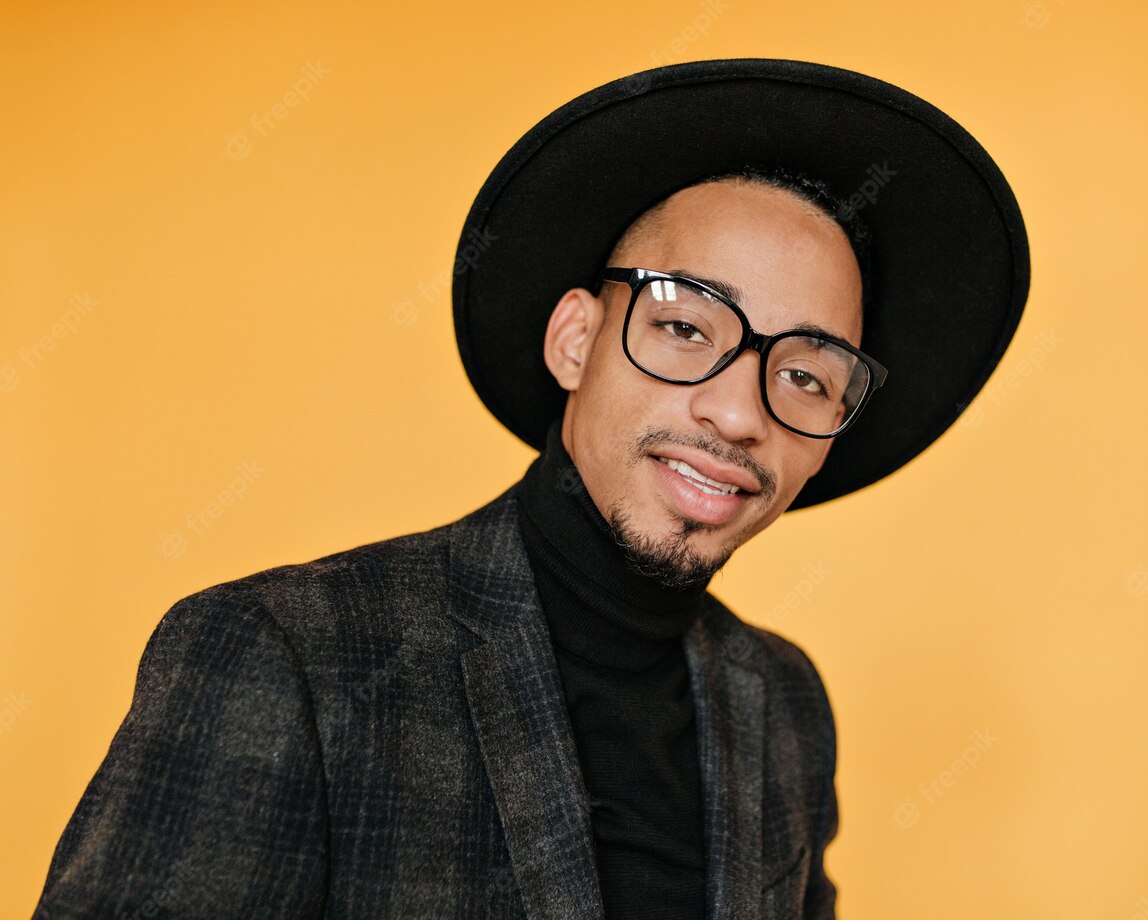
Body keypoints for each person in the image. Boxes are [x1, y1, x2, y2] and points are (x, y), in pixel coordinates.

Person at [34, 58, 1029, 919]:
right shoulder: (287, 655)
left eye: (807, 374)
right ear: (577, 339)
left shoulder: (783, 700)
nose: (738, 413)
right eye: (688, 328)